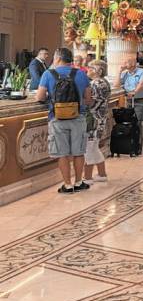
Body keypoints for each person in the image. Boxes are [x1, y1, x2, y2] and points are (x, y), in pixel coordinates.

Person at [35, 48, 93, 194]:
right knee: (78, 152)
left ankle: (67, 185)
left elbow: (40, 97)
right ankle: (79, 182)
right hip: (78, 117)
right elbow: (88, 99)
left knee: (62, 153)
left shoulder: (48, 74)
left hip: (57, 118)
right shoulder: (81, 74)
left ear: (57, 58)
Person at [84, 60, 110, 184]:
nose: (87, 70)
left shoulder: (96, 83)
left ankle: (87, 178)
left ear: (98, 71)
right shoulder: (104, 82)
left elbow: (91, 103)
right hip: (100, 119)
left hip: (94, 120)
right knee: (94, 147)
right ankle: (101, 173)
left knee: (89, 148)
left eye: (90, 68)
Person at [119, 56, 143, 137]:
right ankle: (129, 138)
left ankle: (137, 140)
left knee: (137, 120)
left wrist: (134, 92)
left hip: (139, 99)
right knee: (127, 120)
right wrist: (119, 71)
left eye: (126, 62)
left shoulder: (142, 71)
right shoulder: (124, 73)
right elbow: (117, 84)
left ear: (133, 63)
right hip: (127, 100)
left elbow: (141, 83)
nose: (124, 64)